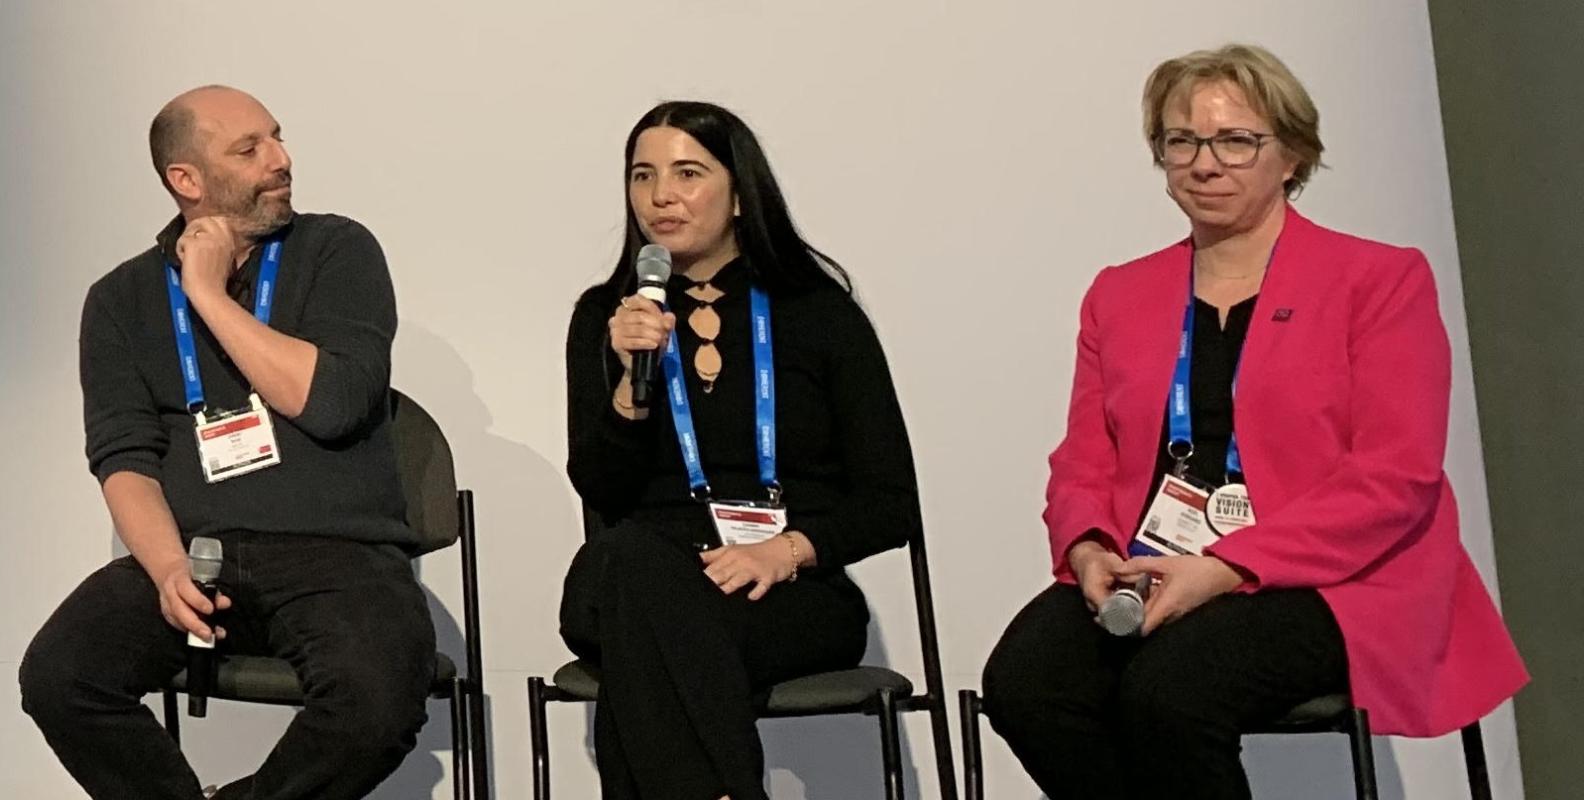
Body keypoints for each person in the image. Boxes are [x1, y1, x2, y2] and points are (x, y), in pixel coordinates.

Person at [980, 44, 1527, 799]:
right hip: (1157, 560)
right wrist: (1087, 549)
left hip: (1337, 575)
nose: (1206, 164)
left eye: (1236, 141)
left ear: (1293, 153)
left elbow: (1395, 476)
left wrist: (1229, 566)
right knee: (1026, 683)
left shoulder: (1379, 279)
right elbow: (1083, 458)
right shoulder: (1119, 294)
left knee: (1169, 694)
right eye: (1182, 141)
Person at [18, 85, 434, 800]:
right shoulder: (120, 299)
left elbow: (331, 404)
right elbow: (124, 458)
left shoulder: (339, 249)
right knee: (60, 675)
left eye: (276, 137)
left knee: (378, 700)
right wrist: (168, 569)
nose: (281, 160)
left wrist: (206, 294)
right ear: (187, 180)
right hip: (198, 556)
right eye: (250, 149)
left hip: (340, 557)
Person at [560, 100, 921, 800]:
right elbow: (602, 491)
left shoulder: (819, 313)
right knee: (633, 564)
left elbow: (890, 503)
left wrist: (783, 552)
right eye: (642, 176)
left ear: (737, 194)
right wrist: (630, 388)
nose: (660, 195)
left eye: (687, 172)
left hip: (784, 588)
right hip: (640, 570)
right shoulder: (607, 316)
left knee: (649, 643)